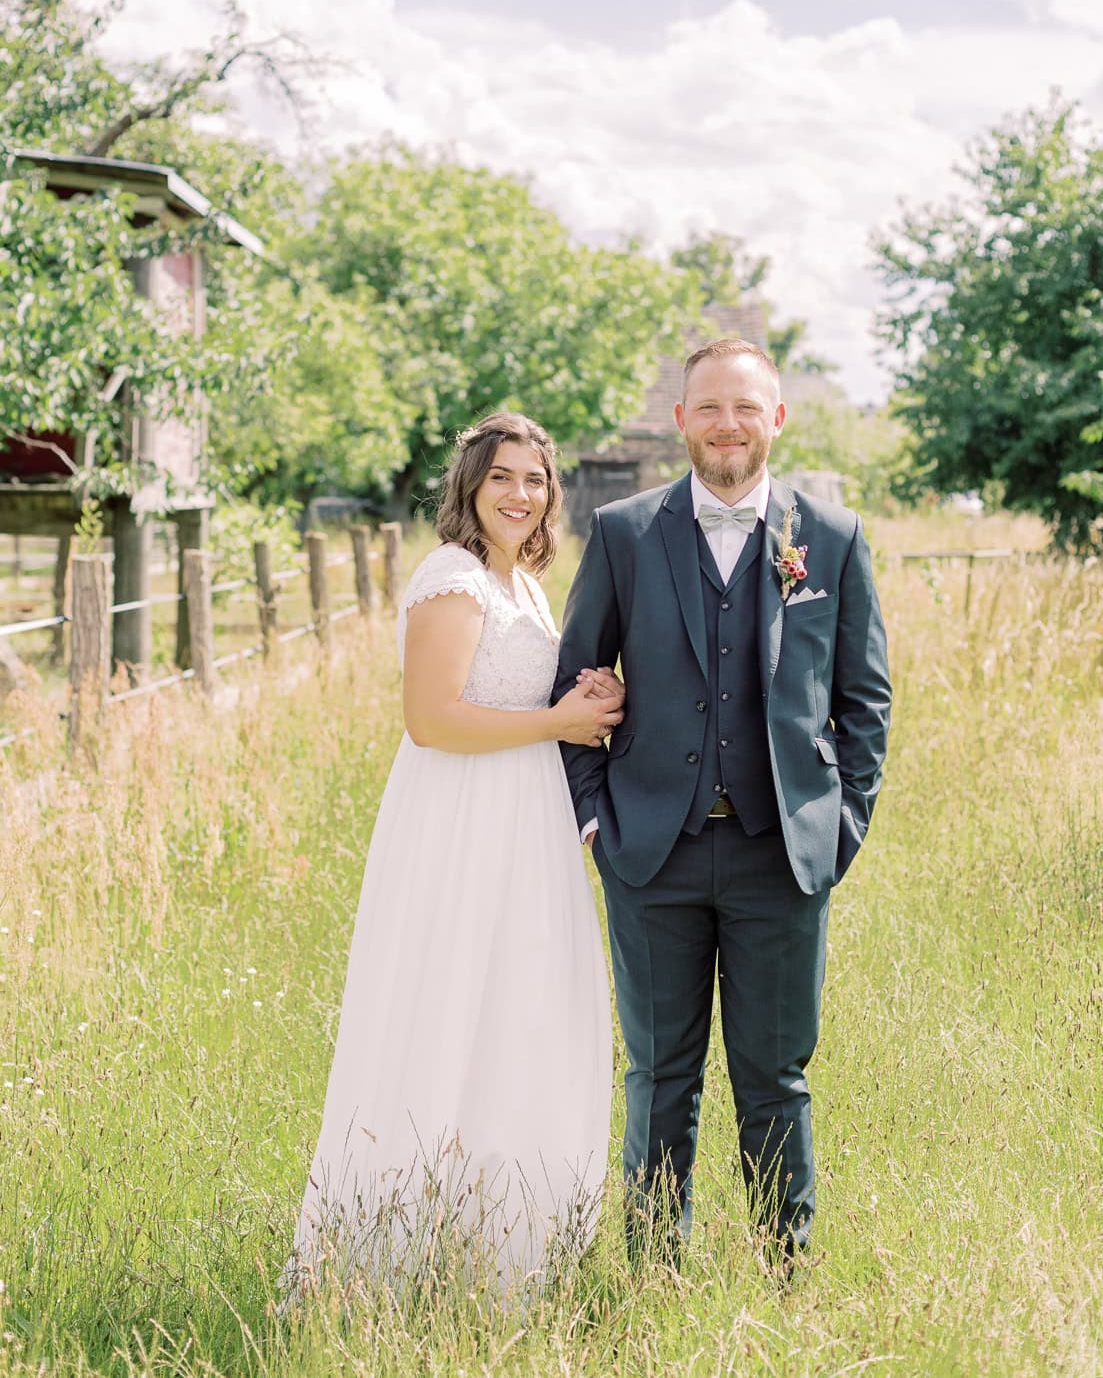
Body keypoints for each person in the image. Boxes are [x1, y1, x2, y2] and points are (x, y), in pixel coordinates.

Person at [554, 339, 891, 1272]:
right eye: (709, 407)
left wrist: (839, 826)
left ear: (777, 417)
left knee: (775, 1078)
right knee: (660, 1075)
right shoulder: (623, 533)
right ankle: (655, 1270)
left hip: (782, 855)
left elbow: (865, 701)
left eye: (747, 407)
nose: (728, 424)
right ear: (681, 421)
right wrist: (594, 818)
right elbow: (573, 686)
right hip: (648, 852)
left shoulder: (831, 535)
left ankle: (787, 1269)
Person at [288, 412, 620, 1299]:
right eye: (503, 476)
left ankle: (500, 1250)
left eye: (536, 478)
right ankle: (388, 1256)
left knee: (519, 1012)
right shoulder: (454, 576)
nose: (521, 493)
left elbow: (522, 691)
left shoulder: (526, 586)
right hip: (460, 823)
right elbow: (430, 720)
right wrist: (559, 720)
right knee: (445, 1008)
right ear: (471, 486)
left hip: (526, 822)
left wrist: (590, 694)